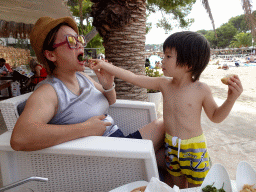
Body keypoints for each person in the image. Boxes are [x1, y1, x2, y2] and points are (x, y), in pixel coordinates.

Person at [89, 31, 243, 189]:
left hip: (194, 150)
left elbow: (216, 117)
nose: (162, 60)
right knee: (178, 187)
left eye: (168, 57)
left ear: (188, 63)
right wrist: (105, 65)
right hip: (171, 147)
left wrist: (230, 99)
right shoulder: (164, 84)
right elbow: (132, 77)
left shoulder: (201, 89)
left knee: (199, 188)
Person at [10, 16, 164, 162]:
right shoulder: (49, 91)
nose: (80, 45)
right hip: (107, 156)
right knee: (165, 123)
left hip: (119, 141)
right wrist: (85, 128)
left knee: (169, 157)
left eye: (80, 39)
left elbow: (110, 100)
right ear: (51, 55)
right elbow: (20, 138)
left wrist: (108, 84)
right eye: (71, 41)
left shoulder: (82, 78)